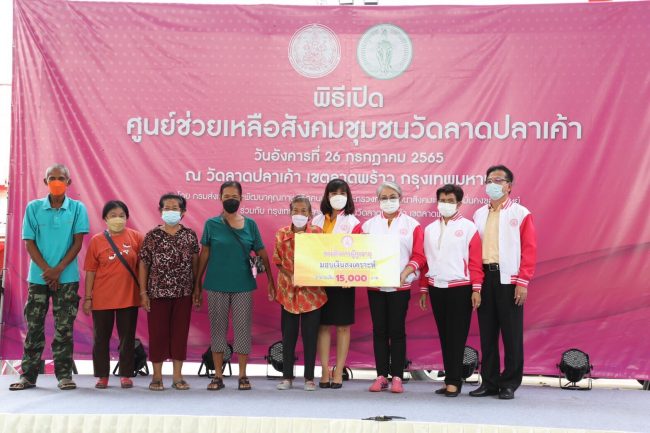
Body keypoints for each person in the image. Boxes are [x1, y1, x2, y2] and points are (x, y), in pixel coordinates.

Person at [9, 164, 89, 391]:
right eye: (52, 178)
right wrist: (48, 270)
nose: (56, 181)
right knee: (34, 327)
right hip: (38, 277)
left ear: (68, 182)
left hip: (67, 278)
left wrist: (58, 270)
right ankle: (28, 376)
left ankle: (64, 376)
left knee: (64, 328)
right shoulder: (34, 208)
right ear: (45, 182)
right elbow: (29, 242)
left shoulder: (77, 208)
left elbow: (77, 243)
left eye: (61, 178)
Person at [195, 181, 275, 391]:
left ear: (241, 199)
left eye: (234, 196)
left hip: (243, 286)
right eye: (226, 196)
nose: (230, 199)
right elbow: (204, 254)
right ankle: (218, 376)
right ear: (220, 198)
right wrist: (197, 284)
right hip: (216, 285)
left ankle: (242, 375)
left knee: (242, 330)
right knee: (217, 330)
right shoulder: (211, 224)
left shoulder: (250, 225)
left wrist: (271, 281)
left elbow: (262, 252)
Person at [469, 165, 537, 400]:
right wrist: (476, 284)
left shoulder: (521, 213)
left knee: (511, 334)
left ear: (509, 186)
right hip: (485, 277)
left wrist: (523, 281)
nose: (493, 184)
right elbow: (473, 252)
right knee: (487, 334)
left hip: (510, 279)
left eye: (498, 180)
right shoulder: (478, 215)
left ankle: (509, 383)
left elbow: (529, 249)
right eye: (489, 180)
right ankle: (489, 382)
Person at [355, 182, 425, 394]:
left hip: (400, 287)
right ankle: (381, 376)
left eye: (392, 196)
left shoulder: (412, 225)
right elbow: (354, 251)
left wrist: (405, 273)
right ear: (378, 201)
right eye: (384, 197)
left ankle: (397, 377)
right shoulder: (367, 226)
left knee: (397, 331)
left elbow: (419, 256)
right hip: (375, 287)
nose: (388, 201)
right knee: (379, 331)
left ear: (400, 198)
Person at [418, 184, 483, 397]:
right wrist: (423, 289)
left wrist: (476, 289)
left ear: (459, 203)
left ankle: (455, 382)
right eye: (442, 200)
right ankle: (449, 380)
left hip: (460, 288)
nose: (445, 204)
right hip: (436, 288)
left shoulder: (468, 228)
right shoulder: (429, 229)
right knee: (445, 336)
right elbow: (426, 261)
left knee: (457, 336)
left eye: (450, 201)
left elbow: (475, 262)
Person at [138, 193, 200, 391]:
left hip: (183, 292)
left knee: (180, 334)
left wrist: (196, 288)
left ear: (183, 212)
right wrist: (143, 292)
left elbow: (195, 263)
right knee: (157, 334)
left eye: (175, 208)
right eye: (167, 208)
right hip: (157, 293)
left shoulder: (189, 235)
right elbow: (144, 264)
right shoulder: (152, 236)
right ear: (160, 210)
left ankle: (177, 376)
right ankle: (157, 377)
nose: (171, 211)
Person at [83, 200, 143, 389]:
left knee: (127, 338)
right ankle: (102, 376)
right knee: (101, 339)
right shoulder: (96, 241)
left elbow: (143, 267)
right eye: (113, 216)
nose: (118, 219)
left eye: (121, 215)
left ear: (127, 217)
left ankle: (126, 374)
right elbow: (90, 271)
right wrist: (88, 297)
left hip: (129, 296)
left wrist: (143, 292)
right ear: (105, 219)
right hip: (102, 298)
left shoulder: (136, 237)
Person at [274, 195, 327, 391]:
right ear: (290, 212)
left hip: (312, 295)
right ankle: (287, 377)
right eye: (295, 210)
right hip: (288, 292)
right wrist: (292, 276)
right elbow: (278, 261)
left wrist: (309, 275)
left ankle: (309, 379)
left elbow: (325, 259)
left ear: (310, 214)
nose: (299, 214)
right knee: (288, 336)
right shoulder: (281, 234)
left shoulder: (318, 233)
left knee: (310, 337)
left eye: (303, 211)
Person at [312, 178, 360, 389]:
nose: (337, 197)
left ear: (348, 196)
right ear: (327, 196)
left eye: (342, 193)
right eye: (333, 193)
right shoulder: (316, 220)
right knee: (322, 326)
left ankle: (339, 370)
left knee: (342, 327)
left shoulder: (353, 222)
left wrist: (350, 275)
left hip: (343, 281)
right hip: (319, 280)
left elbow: (358, 252)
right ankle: (324, 370)